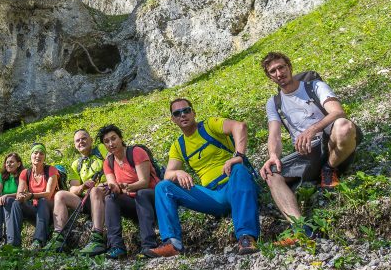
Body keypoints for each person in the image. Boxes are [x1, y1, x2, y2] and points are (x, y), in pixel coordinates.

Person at [259, 52, 362, 243]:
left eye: (281, 67)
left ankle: (329, 169)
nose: (279, 73)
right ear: (269, 77)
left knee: (344, 126)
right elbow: (274, 134)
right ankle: (301, 229)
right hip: (307, 153)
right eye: (273, 71)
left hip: (332, 144)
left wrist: (312, 130)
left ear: (289, 66)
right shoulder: (274, 103)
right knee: (271, 174)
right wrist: (273, 155)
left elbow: (338, 111)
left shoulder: (314, 86)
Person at [143, 98, 260, 258]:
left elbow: (240, 126)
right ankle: (172, 244)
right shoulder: (178, 146)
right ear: (173, 119)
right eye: (177, 113)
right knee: (163, 187)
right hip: (213, 196)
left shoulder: (210, 125)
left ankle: (246, 237)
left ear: (193, 112)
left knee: (238, 169)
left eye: (186, 110)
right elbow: (169, 173)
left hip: (235, 185)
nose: (183, 115)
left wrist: (238, 156)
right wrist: (178, 173)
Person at [99, 124, 159, 259]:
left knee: (141, 193)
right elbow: (112, 183)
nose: (111, 143)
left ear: (121, 138)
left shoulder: (136, 152)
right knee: (110, 198)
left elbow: (144, 182)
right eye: (106, 141)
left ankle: (149, 245)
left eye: (113, 138)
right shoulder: (108, 162)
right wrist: (113, 188)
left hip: (152, 197)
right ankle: (117, 246)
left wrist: (128, 187)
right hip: (133, 201)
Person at [46, 129, 107, 255]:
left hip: (105, 193)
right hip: (87, 198)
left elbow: (114, 162)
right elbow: (73, 189)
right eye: (77, 140)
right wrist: (83, 186)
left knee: (95, 190)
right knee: (60, 195)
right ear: (75, 145)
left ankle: (97, 238)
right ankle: (58, 237)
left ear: (91, 140)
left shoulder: (101, 149)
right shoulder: (76, 164)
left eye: (84, 138)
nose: (81, 142)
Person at [13, 143, 59, 249]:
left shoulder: (51, 170)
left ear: (45, 157)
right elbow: (19, 194)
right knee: (17, 203)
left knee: (42, 200)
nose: (38, 156)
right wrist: (21, 197)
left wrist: (31, 195)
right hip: (35, 211)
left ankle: (39, 241)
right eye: (35, 153)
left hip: (51, 210)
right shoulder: (25, 173)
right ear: (31, 155)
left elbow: (48, 194)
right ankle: (13, 243)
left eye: (41, 153)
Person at [0, 152, 24, 250]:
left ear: (19, 164)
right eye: (7, 162)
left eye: (12, 162)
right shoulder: (3, 175)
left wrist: (7, 195)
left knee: (7, 200)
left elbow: (21, 192)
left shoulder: (23, 175)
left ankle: (9, 237)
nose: (8, 164)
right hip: (4, 200)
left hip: (18, 202)